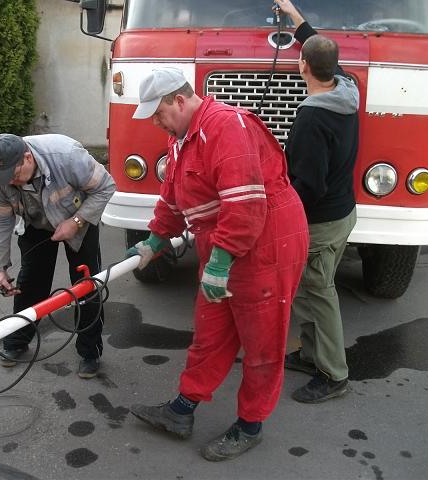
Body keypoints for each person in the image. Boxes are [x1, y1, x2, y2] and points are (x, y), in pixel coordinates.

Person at [126, 67, 309, 461]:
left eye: (158, 113)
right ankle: (182, 410)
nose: (155, 122)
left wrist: (221, 260)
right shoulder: (180, 139)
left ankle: (250, 425)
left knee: (262, 339)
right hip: (226, 239)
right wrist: (155, 239)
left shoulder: (226, 126)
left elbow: (245, 204)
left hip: (267, 241)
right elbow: (173, 198)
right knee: (211, 329)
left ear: (179, 99)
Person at [275, 0, 359, 403]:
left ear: (303, 66)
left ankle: (332, 374)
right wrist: (295, 15)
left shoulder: (311, 118)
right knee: (310, 288)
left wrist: (279, 216)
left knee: (318, 291)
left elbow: (308, 184)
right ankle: (310, 355)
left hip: (320, 221)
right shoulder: (347, 89)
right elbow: (320, 50)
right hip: (345, 213)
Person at [0, 133, 115, 378]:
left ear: (27, 158)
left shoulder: (67, 156)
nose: (10, 183)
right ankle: (17, 339)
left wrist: (76, 222)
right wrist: (0, 268)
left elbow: (106, 186)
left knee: (86, 286)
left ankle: (89, 352)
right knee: (30, 281)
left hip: (79, 219)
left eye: (14, 175)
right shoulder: (2, 176)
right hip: (36, 222)